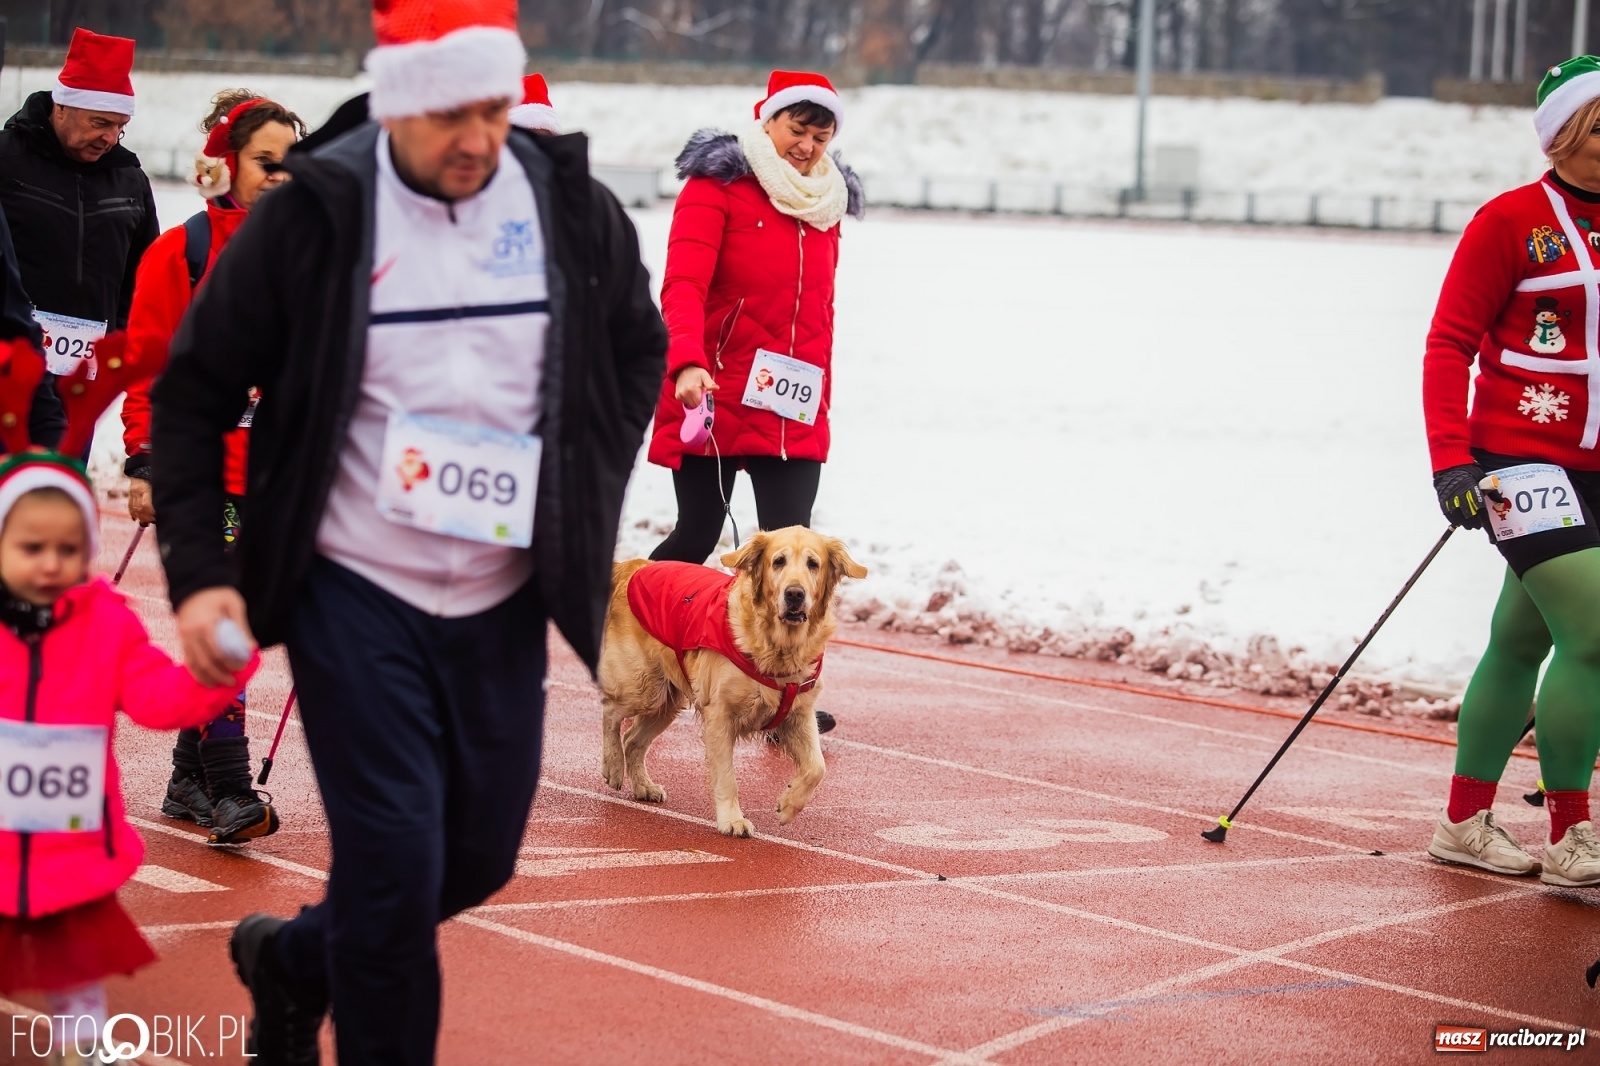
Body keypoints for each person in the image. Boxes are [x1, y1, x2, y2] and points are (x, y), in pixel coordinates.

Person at [147, 1, 667, 1062]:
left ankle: (291, 959)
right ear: (392, 106)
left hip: (499, 590)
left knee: (471, 861)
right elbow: (194, 389)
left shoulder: (568, 208)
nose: (477, 137)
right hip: (356, 587)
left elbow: (634, 347)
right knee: (390, 867)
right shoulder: (318, 216)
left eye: (493, 106)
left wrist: (581, 491)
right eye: (446, 114)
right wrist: (203, 575)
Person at [0, 450, 256, 1065]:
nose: (49, 563)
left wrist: (220, 671)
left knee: (73, 954)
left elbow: (160, 698)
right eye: (30, 548)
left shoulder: (106, 627)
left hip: (72, 832)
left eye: (67, 549)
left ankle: (81, 1045)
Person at [1423, 55, 1600, 887]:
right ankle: (1573, 837)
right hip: (1519, 460)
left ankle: (1463, 822)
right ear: (1561, 135)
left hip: (1598, 468)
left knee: (1522, 637)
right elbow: (1448, 345)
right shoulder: (1509, 222)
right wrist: (1451, 462)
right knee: (1596, 634)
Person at [647, 70, 863, 736]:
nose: (807, 146)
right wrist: (686, 360)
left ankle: (786, 689)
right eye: (797, 129)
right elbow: (683, 283)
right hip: (711, 389)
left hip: (791, 401)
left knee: (794, 549)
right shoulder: (716, 187)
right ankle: (634, 631)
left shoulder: (824, 203)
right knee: (699, 534)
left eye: (820, 134)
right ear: (767, 120)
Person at [120, 89, 305, 846]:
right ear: (224, 164)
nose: (282, 178)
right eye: (266, 163)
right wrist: (144, 462)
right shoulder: (181, 252)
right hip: (204, 475)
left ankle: (188, 776)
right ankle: (229, 787)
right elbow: (145, 367)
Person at [0, 29, 158, 411]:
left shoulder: (131, 181)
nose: (110, 136)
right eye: (100, 122)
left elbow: (144, 278)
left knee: (62, 470)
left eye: (120, 126)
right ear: (61, 107)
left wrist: (116, 341)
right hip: (8, 362)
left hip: (82, 378)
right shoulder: (6, 160)